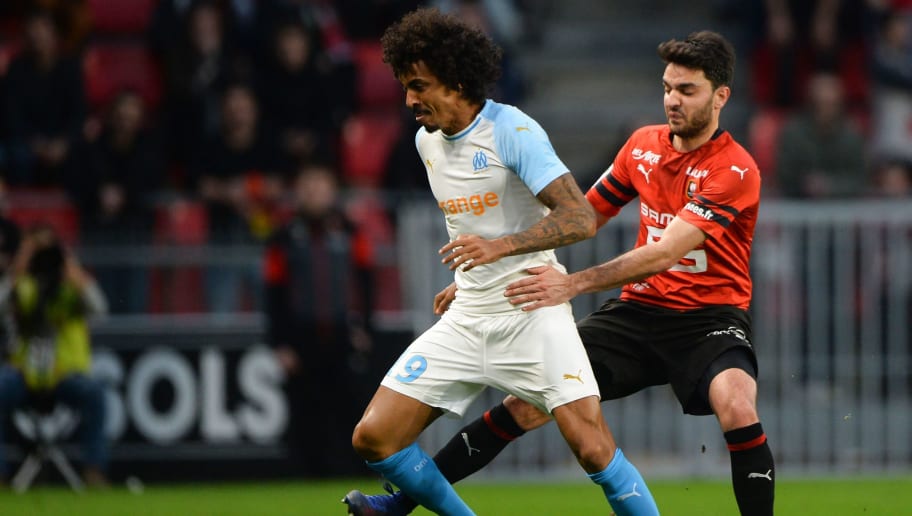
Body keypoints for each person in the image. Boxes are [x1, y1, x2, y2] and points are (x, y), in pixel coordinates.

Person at [349, 30, 776, 516]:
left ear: (721, 96)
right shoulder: (642, 146)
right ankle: (400, 505)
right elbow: (584, 215)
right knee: (523, 408)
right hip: (639, 312)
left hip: (710, 318)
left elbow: (665, 253)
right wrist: (487, 270)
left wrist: (572, 283)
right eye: (667, 88)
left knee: (736, 403)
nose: (672, 100)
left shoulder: (735, 170)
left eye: (687, 90)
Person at [343, 8, 659, 516]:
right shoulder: (426, 143)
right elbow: (471, 224)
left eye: (419, 86)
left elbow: (580, 218)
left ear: (456, 81)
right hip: (469, 315)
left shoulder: (512, 130)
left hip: (532, 310)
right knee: (374, 437)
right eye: (404, 87)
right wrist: (467, 275)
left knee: (592, 447)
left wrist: (501, 249)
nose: (409, 100)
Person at [263, 162, 375, 477]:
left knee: (352, 409)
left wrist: (366, 329)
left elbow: (366, 284)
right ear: (298, 191)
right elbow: (273, 293)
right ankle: (307, 478)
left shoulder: (351, 232)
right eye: (308, 184)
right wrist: (280, 343)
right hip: (300, 338)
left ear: (332, 190)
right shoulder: (283, 237)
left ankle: (361, 475)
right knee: (304, 412)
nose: (314, 191)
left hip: (343, 334)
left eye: (320, 184)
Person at [0, 224, 110, 487]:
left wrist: (72, 270)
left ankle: (94, 470)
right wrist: (17, 269)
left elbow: (100, 309)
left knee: (95, 394)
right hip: (25, 374)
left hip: (66, 374)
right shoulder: (24, 286)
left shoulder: (71, 287)